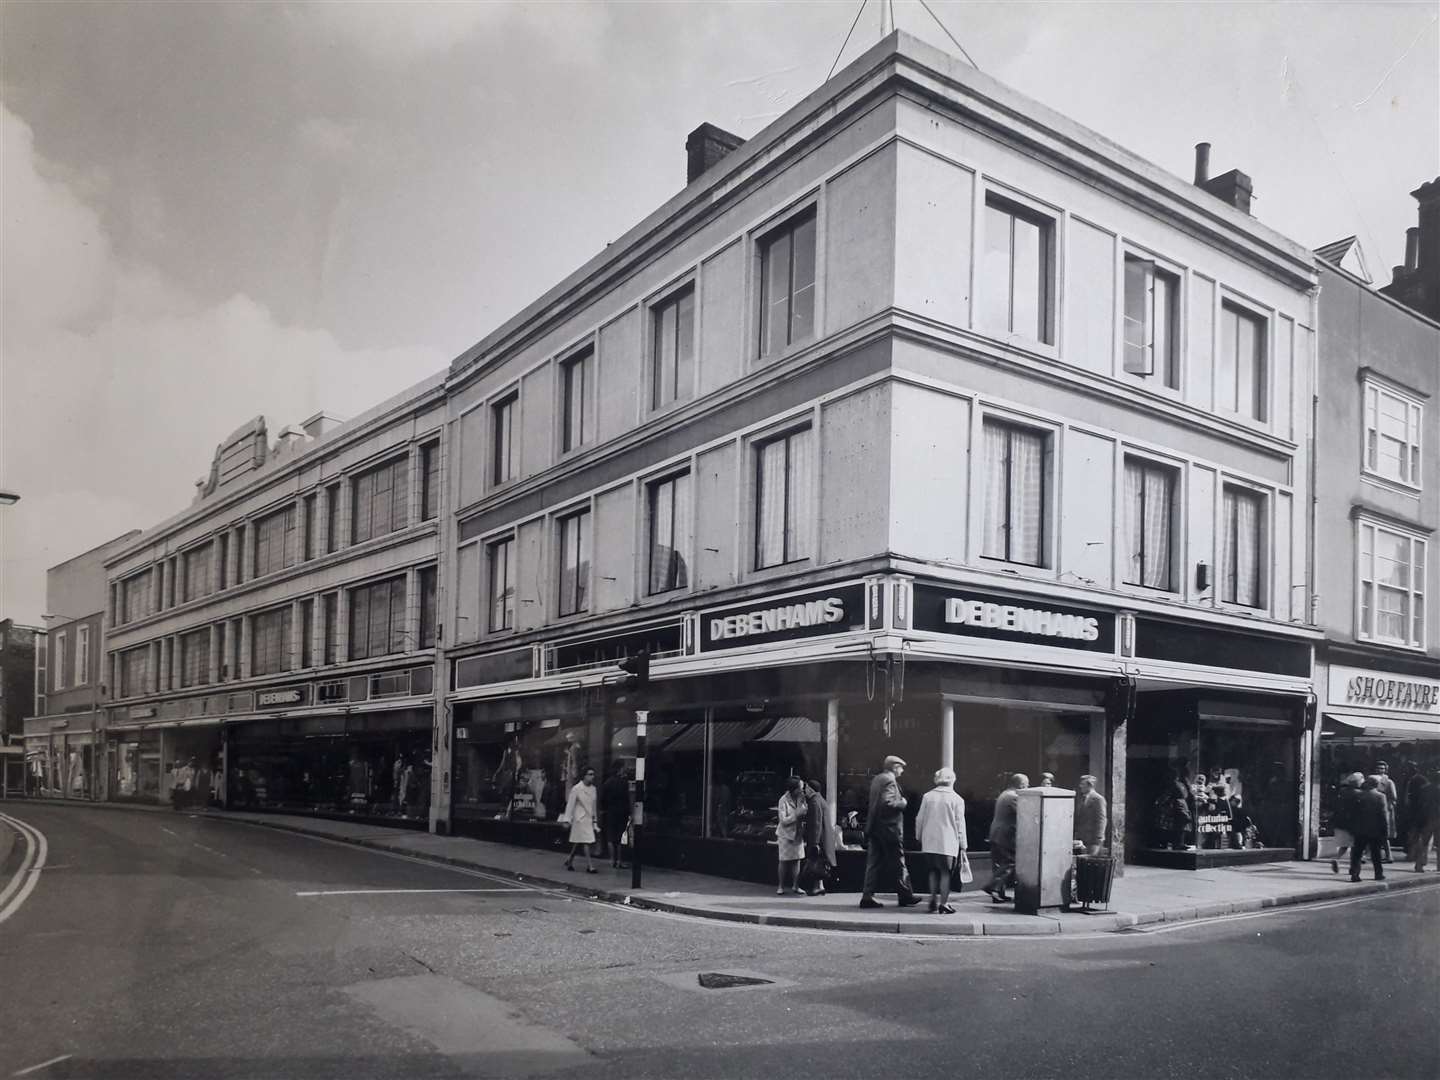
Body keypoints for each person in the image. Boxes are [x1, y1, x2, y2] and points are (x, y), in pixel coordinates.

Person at [859, 755, 919, 909]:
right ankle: (906, 895)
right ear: (894, 767)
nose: (903, 770)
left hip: (876, 828)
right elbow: (888, 803)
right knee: (899, 862)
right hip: (889, 829)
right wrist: (903, 803)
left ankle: (867, 896)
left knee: (873, 863)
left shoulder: (877, 779)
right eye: (901, 767)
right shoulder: (889, 780)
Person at [915, 768, 967, 914]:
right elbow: (959, 823)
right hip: (948, 841)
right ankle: (943, 903)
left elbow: (919, 819)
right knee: (945, 873)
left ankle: (932, 899)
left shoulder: (927, 796)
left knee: (932, 871)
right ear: (953, 780)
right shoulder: (957, 799)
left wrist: (919, 836)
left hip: (929, 840)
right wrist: (963, 844)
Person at [984, 773, 1028, 904]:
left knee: (999, 864)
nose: (1028, 787)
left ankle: (998, 894)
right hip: (1005, 835)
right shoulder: (1014, 797)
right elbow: (1025, 814)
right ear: (1021, 785)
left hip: (997, 834)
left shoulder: (1005, 794)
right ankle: (992, 887)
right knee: (1010, 862)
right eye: (1027, 784)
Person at [799, 778, 836, 896]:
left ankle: (815, 887)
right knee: (820, 862)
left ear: (811, 789)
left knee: (815, 861)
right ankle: (821, 886)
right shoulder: (821, 799)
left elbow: (816, 823)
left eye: (806, 788)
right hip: (824, 836)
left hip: (818, 838)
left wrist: (814, 843)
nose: (805, 791)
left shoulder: (814, 801)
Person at [1350, 775, 1389, 883]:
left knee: (1357, 853)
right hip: (1375, 830)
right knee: (1376, 853)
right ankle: (1378, 874)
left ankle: (1355, 874)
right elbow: (1383, 815)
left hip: (1360, 829)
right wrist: (1385, 831)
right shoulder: (1381, 796)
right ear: (1376, 784)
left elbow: (1353, 814)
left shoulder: (1359, 795)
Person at [561, 766, 599, 873]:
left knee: (578, 842)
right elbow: (570, 805)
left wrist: (595, 820)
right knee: (586, 842)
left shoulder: (593, 789)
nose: (592, 776)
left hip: (588, 819)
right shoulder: (576, 788)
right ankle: (590, 866)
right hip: (580, 819)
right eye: (590, 774)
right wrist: (567, 819)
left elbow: (594, 806)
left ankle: (570, 860)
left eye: (593, 774)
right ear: (584, 776)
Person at [776, 777, 807, 896]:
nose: (802, 789)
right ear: (794, 789)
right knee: (784, 861)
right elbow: (783, 820)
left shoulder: (801, 798)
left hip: (798, 834)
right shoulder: (783, 800)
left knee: (797, 860)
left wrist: (803, 811)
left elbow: (805, 811)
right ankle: (780, 886)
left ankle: (796, 886)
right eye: (800, 787)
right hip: (785, 834)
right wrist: (796, 814)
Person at [600, 761, 631, 869]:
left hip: (610, 812)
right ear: (620, 769)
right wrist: (629, 813)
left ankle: (612, 860)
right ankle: (619, 861)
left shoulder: (607, 782)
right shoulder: (624, 782)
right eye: (624, 767)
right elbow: (627, 799)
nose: (626, 769)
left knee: (610, 837)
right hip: (622, 812)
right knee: (620, 837)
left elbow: (602, 799)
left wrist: (604, 809)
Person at [1154, 770, 1192, 851]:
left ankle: (1177, 843)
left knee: (1179, 824)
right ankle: (1177, 843)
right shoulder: (1178, 784)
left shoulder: (1178, 784)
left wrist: (1159, 802)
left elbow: (1168, 794)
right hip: (1180, 805)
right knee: (1180, 825)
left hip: (1179, 804)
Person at [1410, 769, 1439, 873]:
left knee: (1423, 843)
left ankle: (1419, 865)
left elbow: (1420, 805)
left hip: (1426, 819)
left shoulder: (1424, 789)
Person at [1074, 774, 1108, 856]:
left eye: (1083, 784)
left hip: (1093, 841)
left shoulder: (1098, 799)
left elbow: (1101, 820)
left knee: (1090, 863)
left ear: (1090, 785)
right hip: (1082, 840)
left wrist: (1098, 840)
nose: (1080, 786)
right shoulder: (1082, 799)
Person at [1376, 761, 1399, 862]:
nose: (1380, 770)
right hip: (1375, 809)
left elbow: (1394, 797)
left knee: (1384, 834)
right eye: (1378, 768)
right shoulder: (1373, 780)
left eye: (1382, 768)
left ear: (1385, 770)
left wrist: (1386, 804)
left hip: (1385, 809)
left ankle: (1389, 855)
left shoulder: (1389, 782)